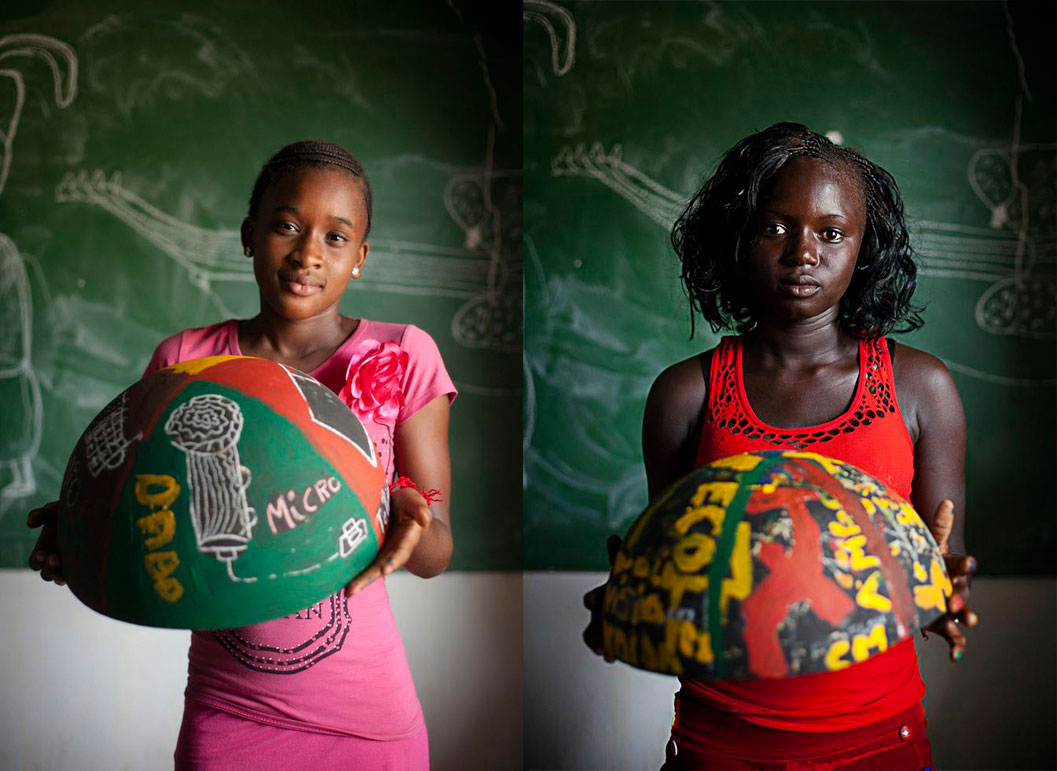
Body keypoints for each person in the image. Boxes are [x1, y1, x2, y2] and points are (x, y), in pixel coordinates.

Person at [27, 140, 456, 770]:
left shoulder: (405, 355)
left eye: (336, 237)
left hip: (368, 719)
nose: (308, 252)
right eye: (287, 226)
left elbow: (437, 552)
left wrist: (406, 517)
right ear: (249, 235)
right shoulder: (185, 363)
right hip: (229, 713)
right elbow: (155, 522)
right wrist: (92, 530)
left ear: (360, 258)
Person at [584, 123, 978, 770]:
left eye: (830, 232)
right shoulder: (685, 395)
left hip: (877, 738)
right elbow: (687, 574)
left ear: (863, 246)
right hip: (722, 741)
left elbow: (946, 560)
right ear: (737, 237)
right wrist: (632, 602)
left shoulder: (920, 387)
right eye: (774, 226)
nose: (802, 252)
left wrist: (944, 593)